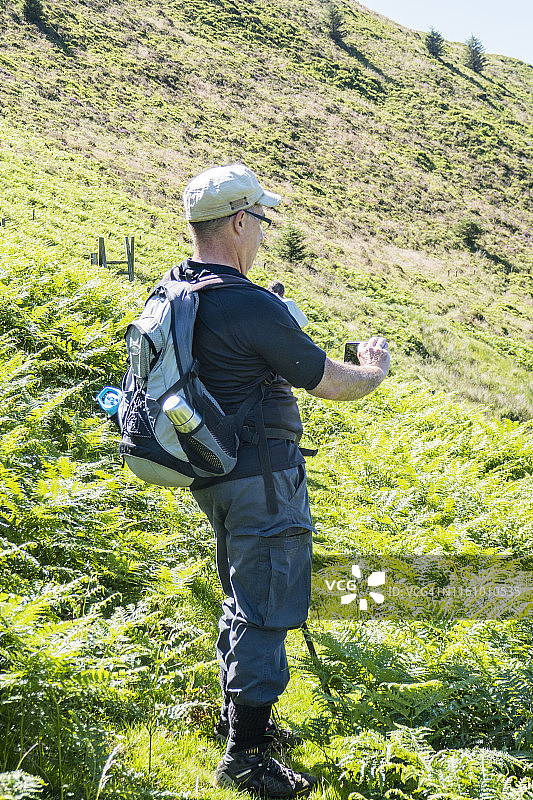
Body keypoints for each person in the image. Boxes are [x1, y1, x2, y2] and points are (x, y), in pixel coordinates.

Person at [180, 163, 390, 798]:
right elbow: (331, 381)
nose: (266, 232)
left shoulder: (178, 290)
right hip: (262, 481)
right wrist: (372, 369)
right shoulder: (248, 303)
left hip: (213, 474)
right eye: (262, 220)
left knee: (243, 601)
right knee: (267, 608)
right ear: (239, 221)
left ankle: (239, 724)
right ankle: (245, 756)